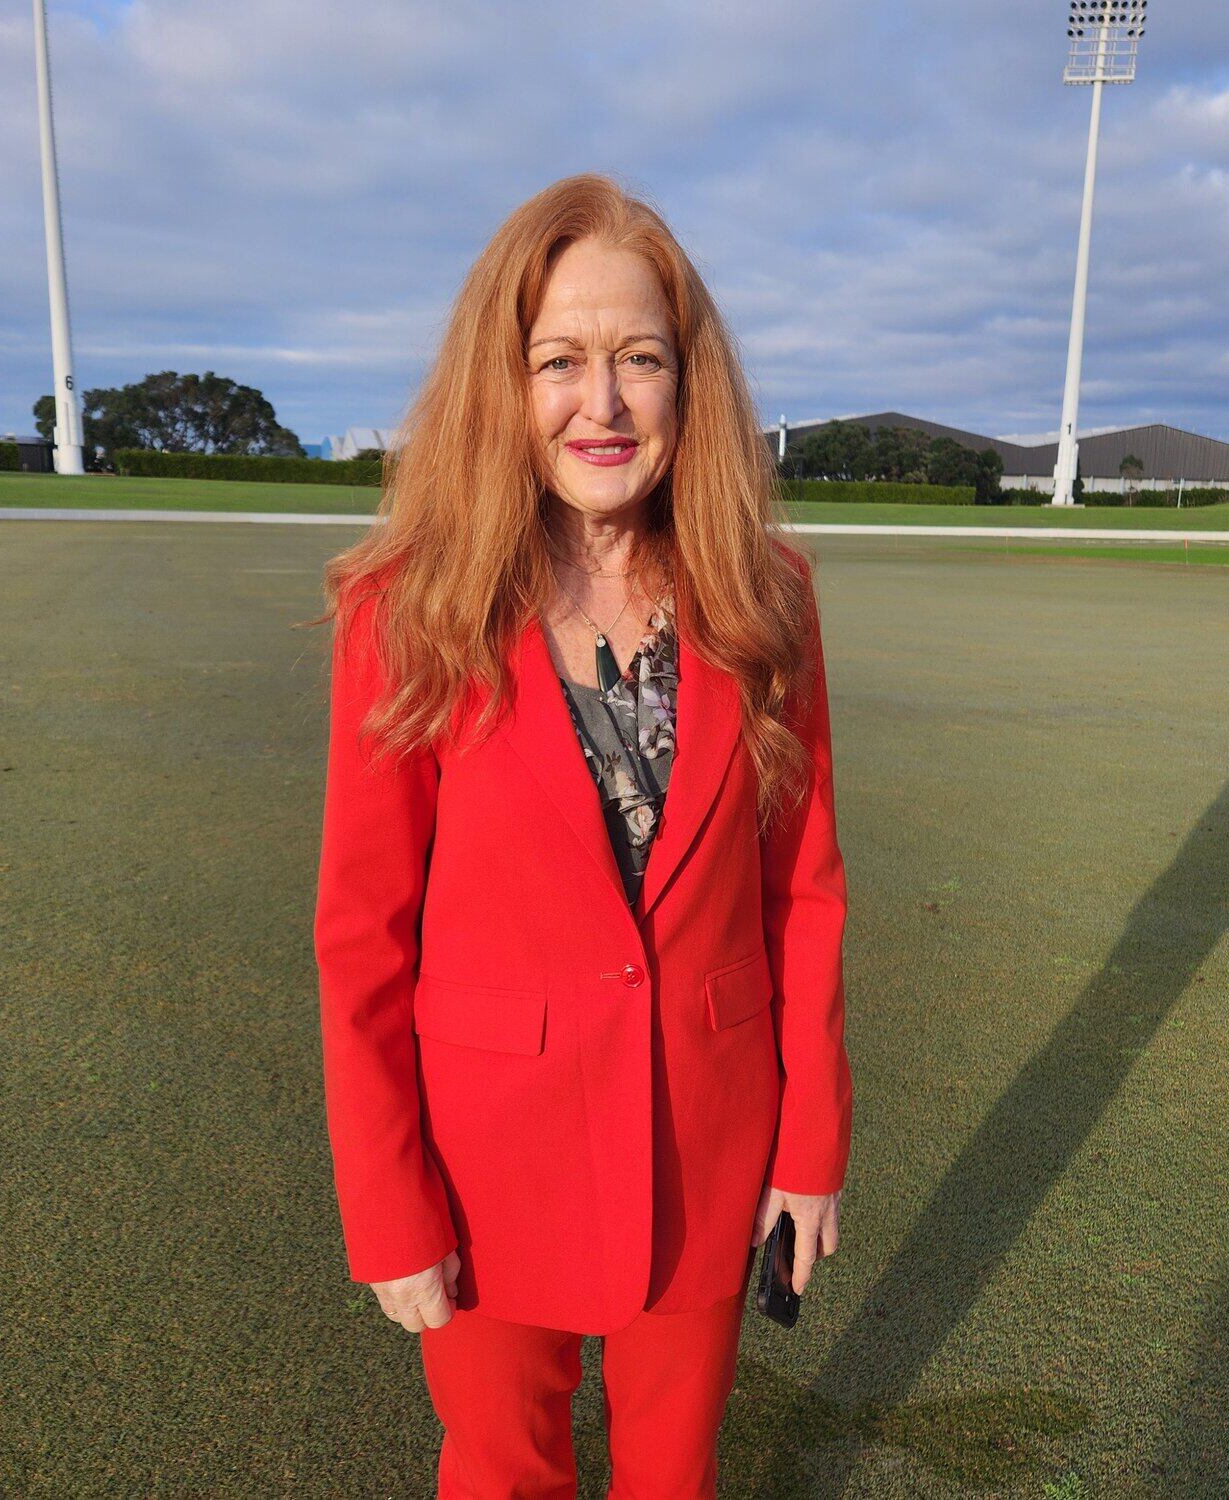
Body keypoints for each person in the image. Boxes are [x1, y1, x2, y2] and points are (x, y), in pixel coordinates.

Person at [312, 172, 854, 1498]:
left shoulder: (765, 595)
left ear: (690, 385)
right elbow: (361, 937)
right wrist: (389, 1211)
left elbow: (807, 890)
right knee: (501, 1472)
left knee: (675, 1474)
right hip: (487, 1166)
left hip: (710, 1144)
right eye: (559, 360)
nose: (601, 405)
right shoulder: (407, 609)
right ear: (503, 381)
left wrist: (811, 1145)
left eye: (640, 362)